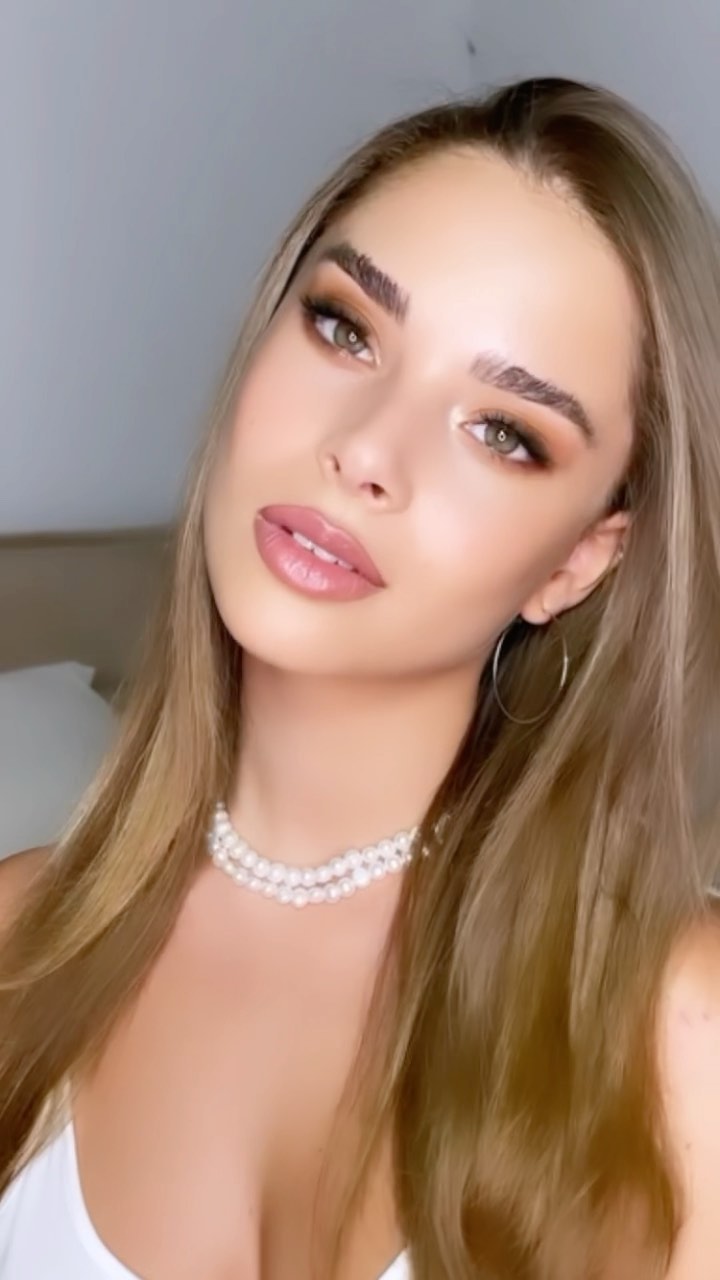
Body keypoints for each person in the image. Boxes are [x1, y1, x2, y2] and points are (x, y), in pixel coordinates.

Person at [1, 75, 719, 1280]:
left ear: (581, 560)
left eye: (504, 431)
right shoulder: (19, 940)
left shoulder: (681, 1032)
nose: (366, 449)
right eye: (346, 328)